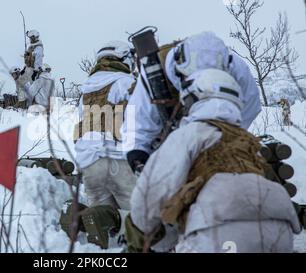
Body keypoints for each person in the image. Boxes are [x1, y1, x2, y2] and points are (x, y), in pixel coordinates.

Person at [126, 68, 301, 253]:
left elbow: (149, 197)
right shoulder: (247, 141)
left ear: (191, 100)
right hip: (280, 234)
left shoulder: (189, 135)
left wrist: (144, 241)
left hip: (218, 237)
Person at [122, 31, 262, 174]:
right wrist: (138, 159)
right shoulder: (155, 74)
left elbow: (250, 108)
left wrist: (228, 136)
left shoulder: (237, 70)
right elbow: (136, 126)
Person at [60, 41, 137, 249]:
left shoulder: (86, 89)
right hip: (120, 160)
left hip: (90, 163)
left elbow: (80, 125)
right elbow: (142, 121)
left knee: (102, 217)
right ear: (123, 58)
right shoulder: (126, 82)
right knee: (139, 219)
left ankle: (79, 214)